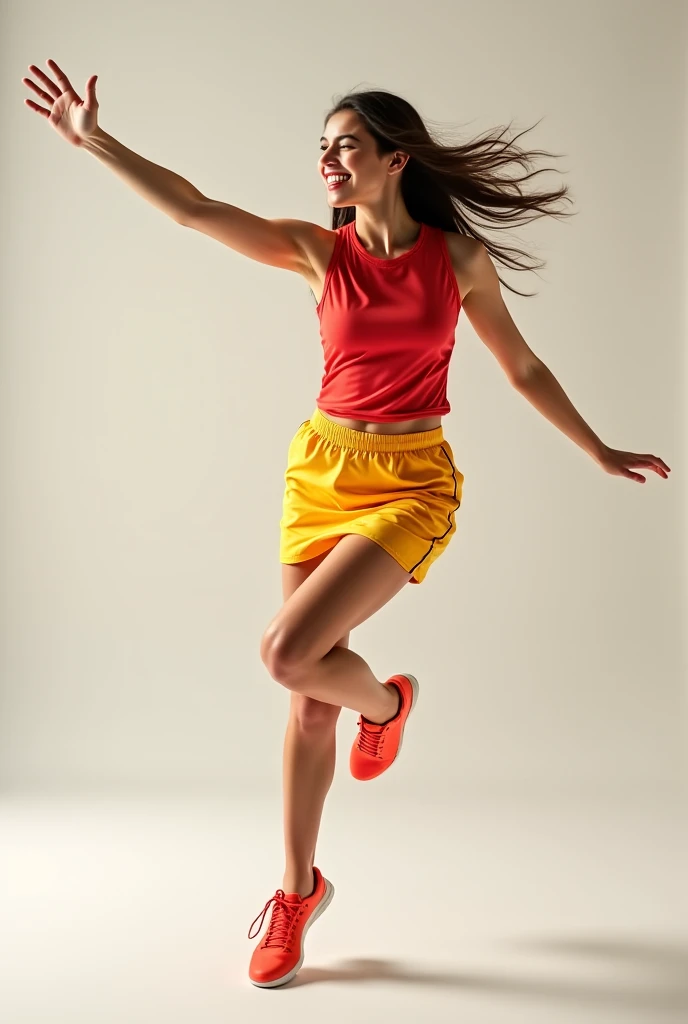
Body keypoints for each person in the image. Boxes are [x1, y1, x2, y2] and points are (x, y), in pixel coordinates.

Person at [23, 61, 671, 989]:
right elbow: (195, 210)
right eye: (321, 148)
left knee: (288, 653)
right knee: (306, 698)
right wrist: (95, 140)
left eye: (346, 146)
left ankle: (389, 706)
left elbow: (521, 368)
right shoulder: (318, 253)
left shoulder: (456, 262)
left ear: (395, 159)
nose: (327, 161)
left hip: (412, 482)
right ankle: (299, 888)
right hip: (321, 472)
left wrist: (597, 448)